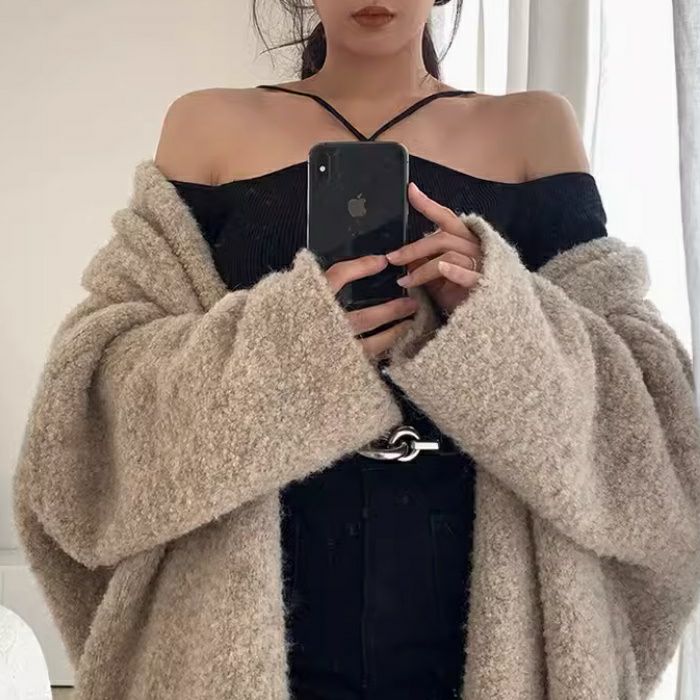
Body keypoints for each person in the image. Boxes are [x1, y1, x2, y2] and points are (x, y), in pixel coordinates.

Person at [13, 1, 700, 700]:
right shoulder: (207, 124)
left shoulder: (533, 127)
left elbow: (647, 407)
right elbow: (95, 390)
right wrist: (287, 349)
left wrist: (496, 313)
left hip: (483, 616)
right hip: (241, 614)